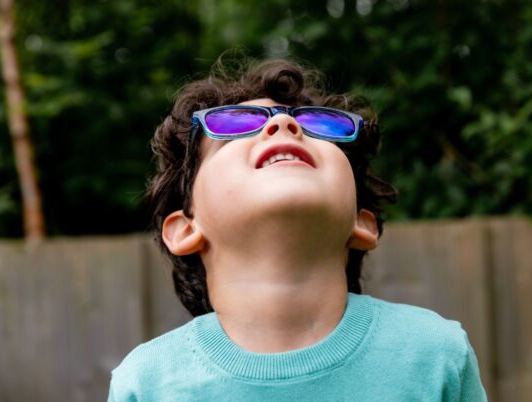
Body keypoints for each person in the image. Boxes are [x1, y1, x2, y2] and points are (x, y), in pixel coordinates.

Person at [107, 57, 488, 401]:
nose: (283, 124)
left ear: (362, 222)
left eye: (316, 129)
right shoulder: (148, 383)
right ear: (185, 229)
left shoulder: (435, 354)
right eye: (237, 128)